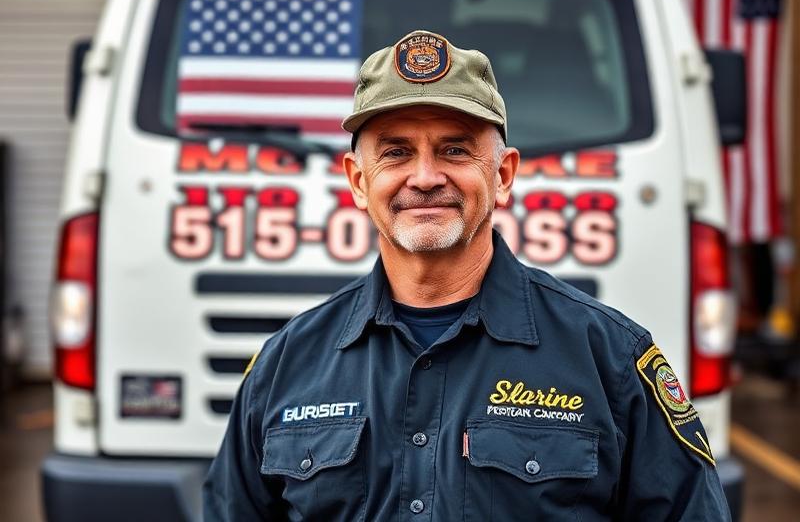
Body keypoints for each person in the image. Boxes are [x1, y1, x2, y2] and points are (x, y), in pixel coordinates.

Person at [203, 30, 731, 520]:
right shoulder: (287, 363)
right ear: (359, 182)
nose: (426, 177)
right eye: (396, 152)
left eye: (455, 149)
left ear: (501, 176)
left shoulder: (609, 359)